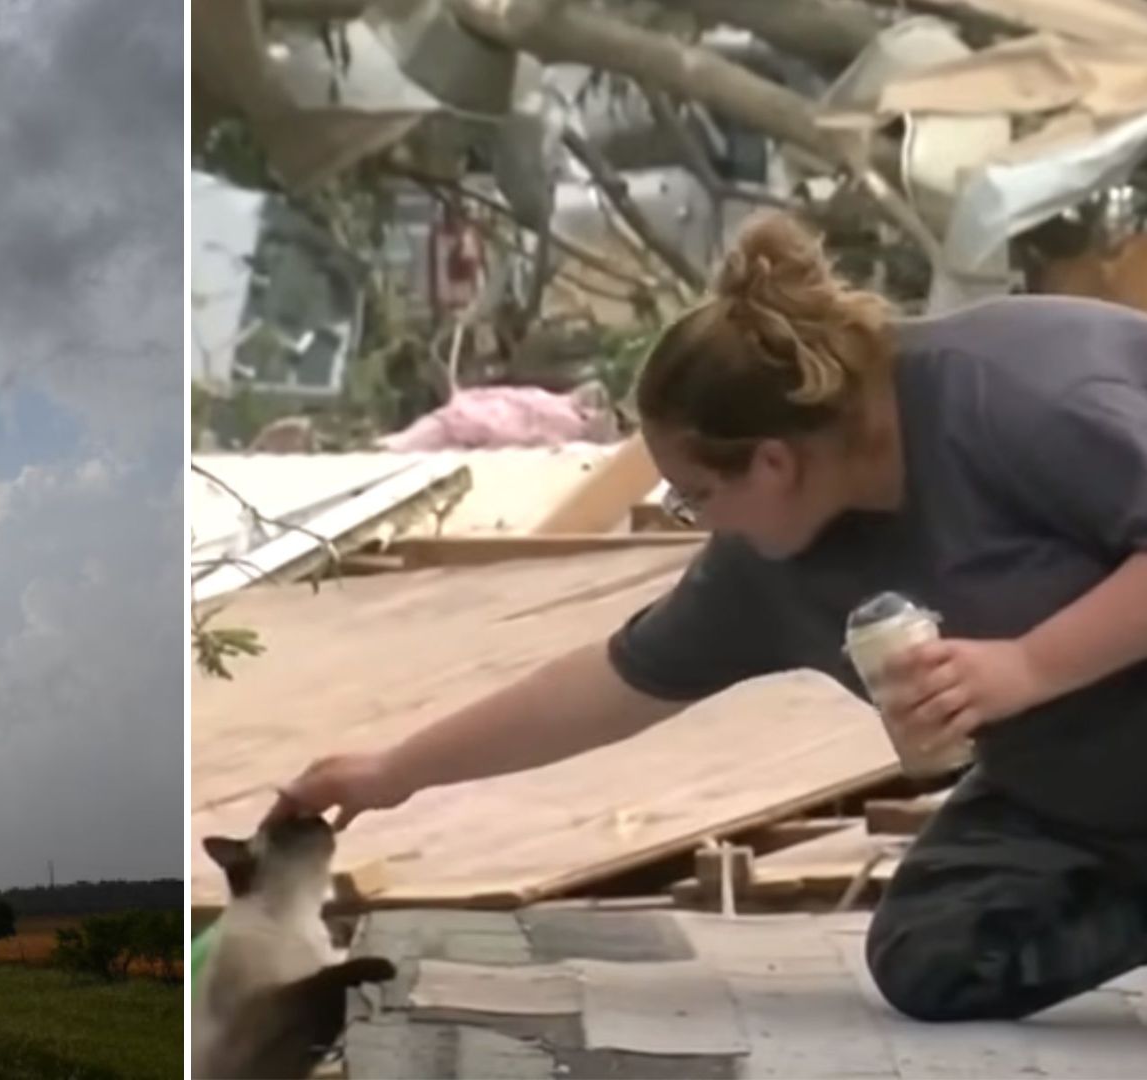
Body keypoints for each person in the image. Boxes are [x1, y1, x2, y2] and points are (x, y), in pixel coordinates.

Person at [268, 210, 1147, 1023]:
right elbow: (613, 682)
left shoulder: (1012, 391)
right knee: (937, 955)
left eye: (693, 497)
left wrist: (1029, 665)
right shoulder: (774, 564)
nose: (697, 522)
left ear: (770, 462)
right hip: (1081, 792)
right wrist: (395, 772)